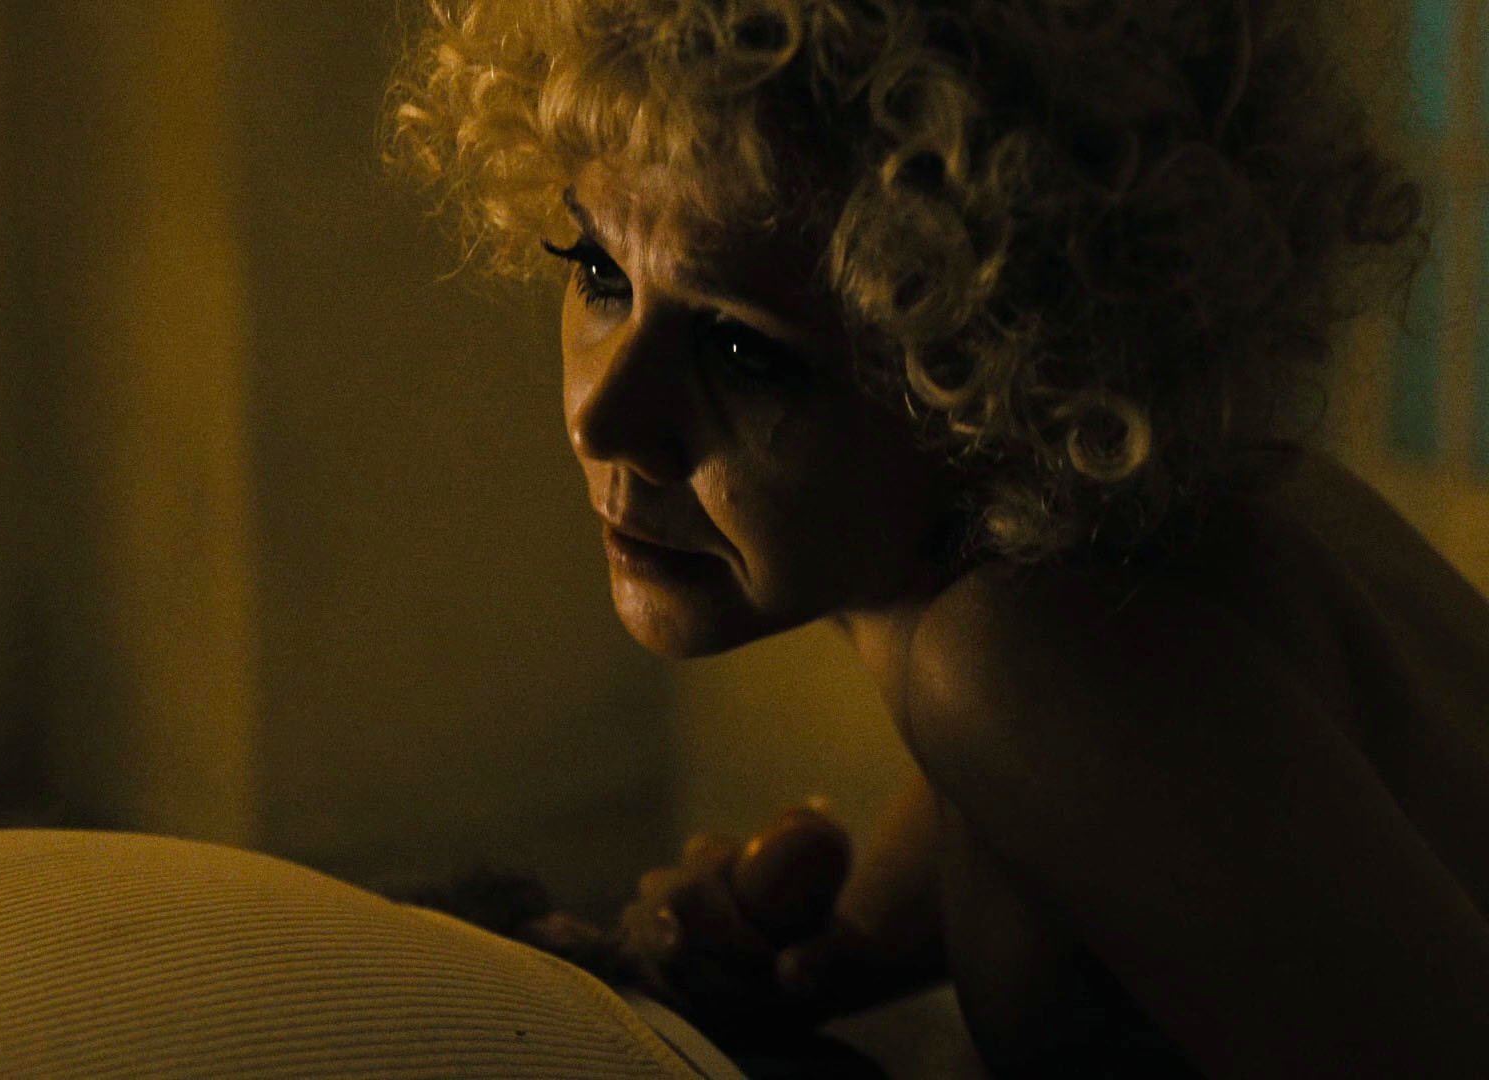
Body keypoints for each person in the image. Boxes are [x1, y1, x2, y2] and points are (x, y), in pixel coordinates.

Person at [385, 0, 1489, 1074]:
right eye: (599, 273)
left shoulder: (1021, 660)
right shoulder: (1178, 530)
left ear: (997, 357)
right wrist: (824, 961)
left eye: (742, 350)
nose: (605, 418)